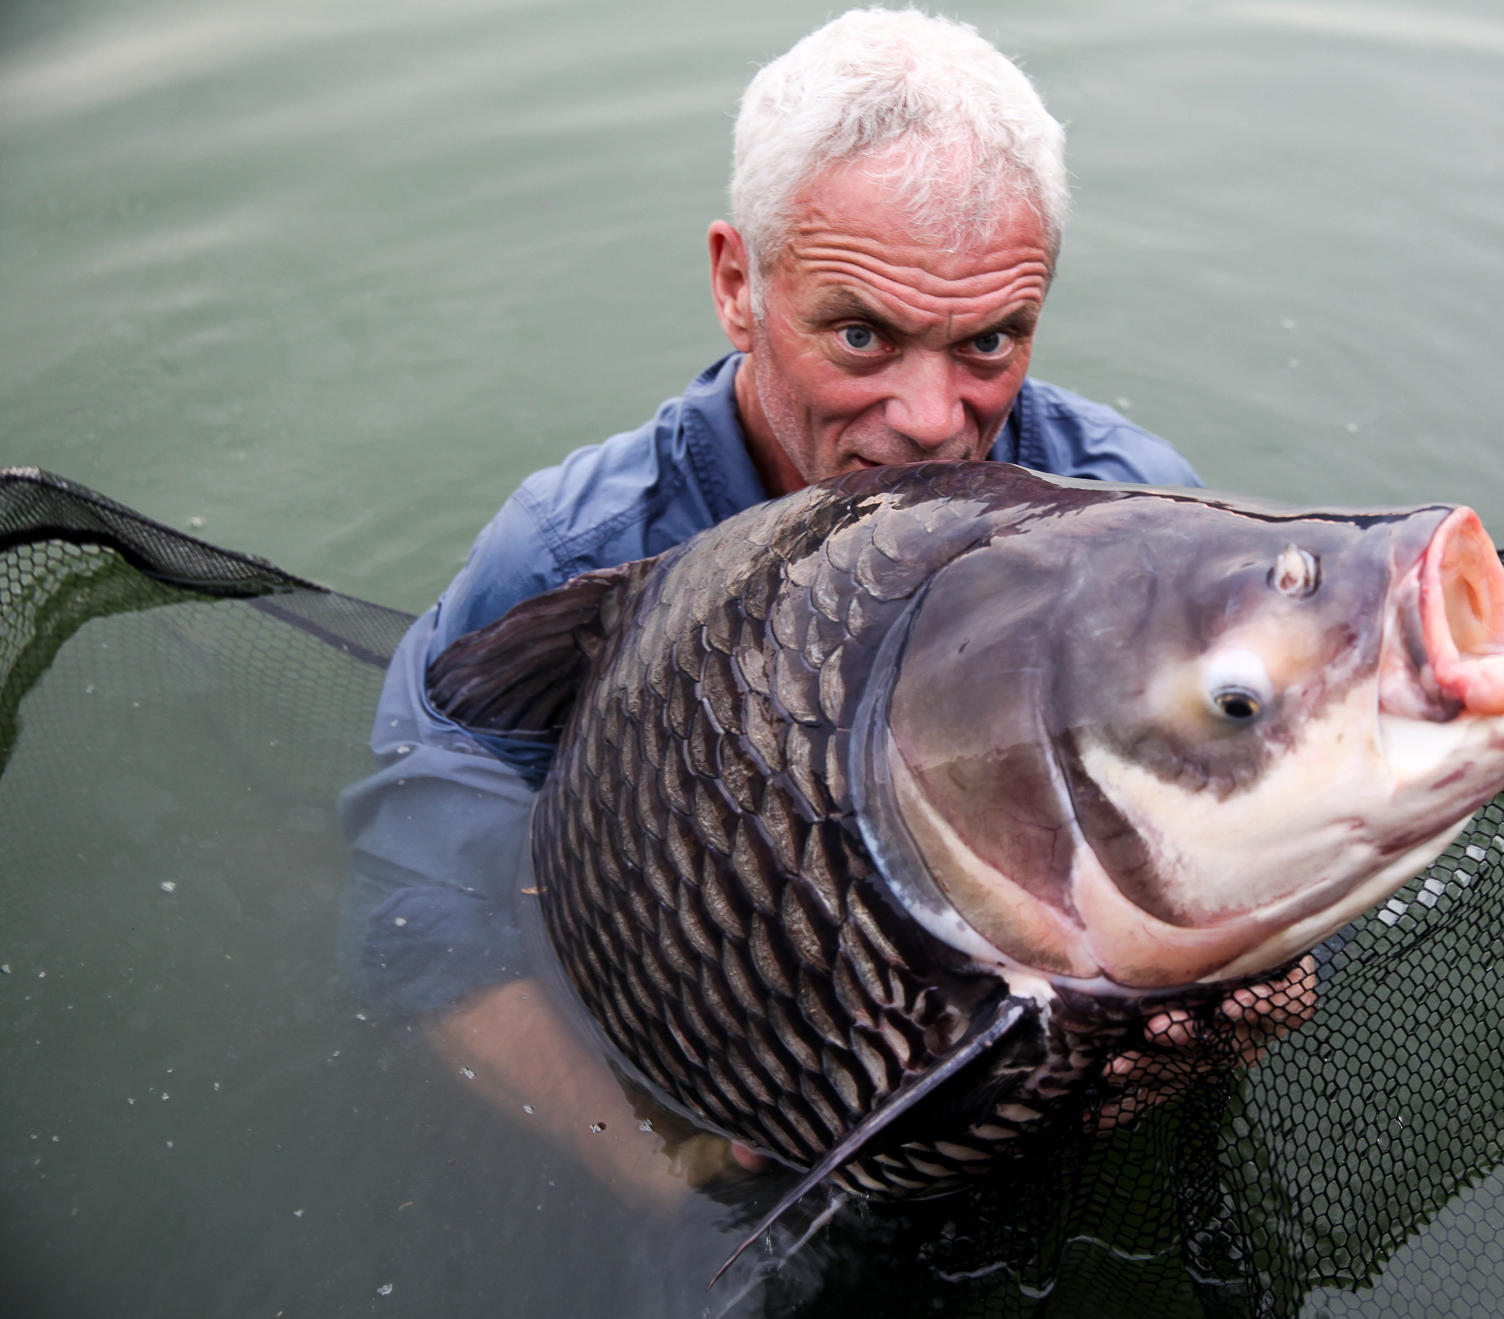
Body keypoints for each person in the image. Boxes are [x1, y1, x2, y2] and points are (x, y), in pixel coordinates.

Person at [340, 6, 1310, 1218]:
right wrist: (654, 1162)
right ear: (737, 285)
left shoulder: (1126, 518)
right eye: (862, 335)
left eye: (988, 343)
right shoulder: (573, 549)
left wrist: (1247, 983)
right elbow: (417, 912)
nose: (931, 418)